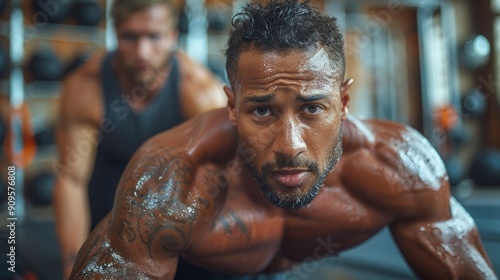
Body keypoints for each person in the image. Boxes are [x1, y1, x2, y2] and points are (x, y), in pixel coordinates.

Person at [70, 0, 497, 279]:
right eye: (261, 111)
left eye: (312, 108)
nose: (289, 146)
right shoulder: (171, 186)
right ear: (231, 106)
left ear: (344, 100)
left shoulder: (400, 169)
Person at [53, 0, 227, 279]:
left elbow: (224, 182)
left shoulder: (200, 92)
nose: (142, 51)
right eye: (130, 37)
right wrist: (71, 264)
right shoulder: (85, 87)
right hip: (110, 183)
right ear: (116, 32)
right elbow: (71, 181)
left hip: (174, 191)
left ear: (172, 36)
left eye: (154, 36)